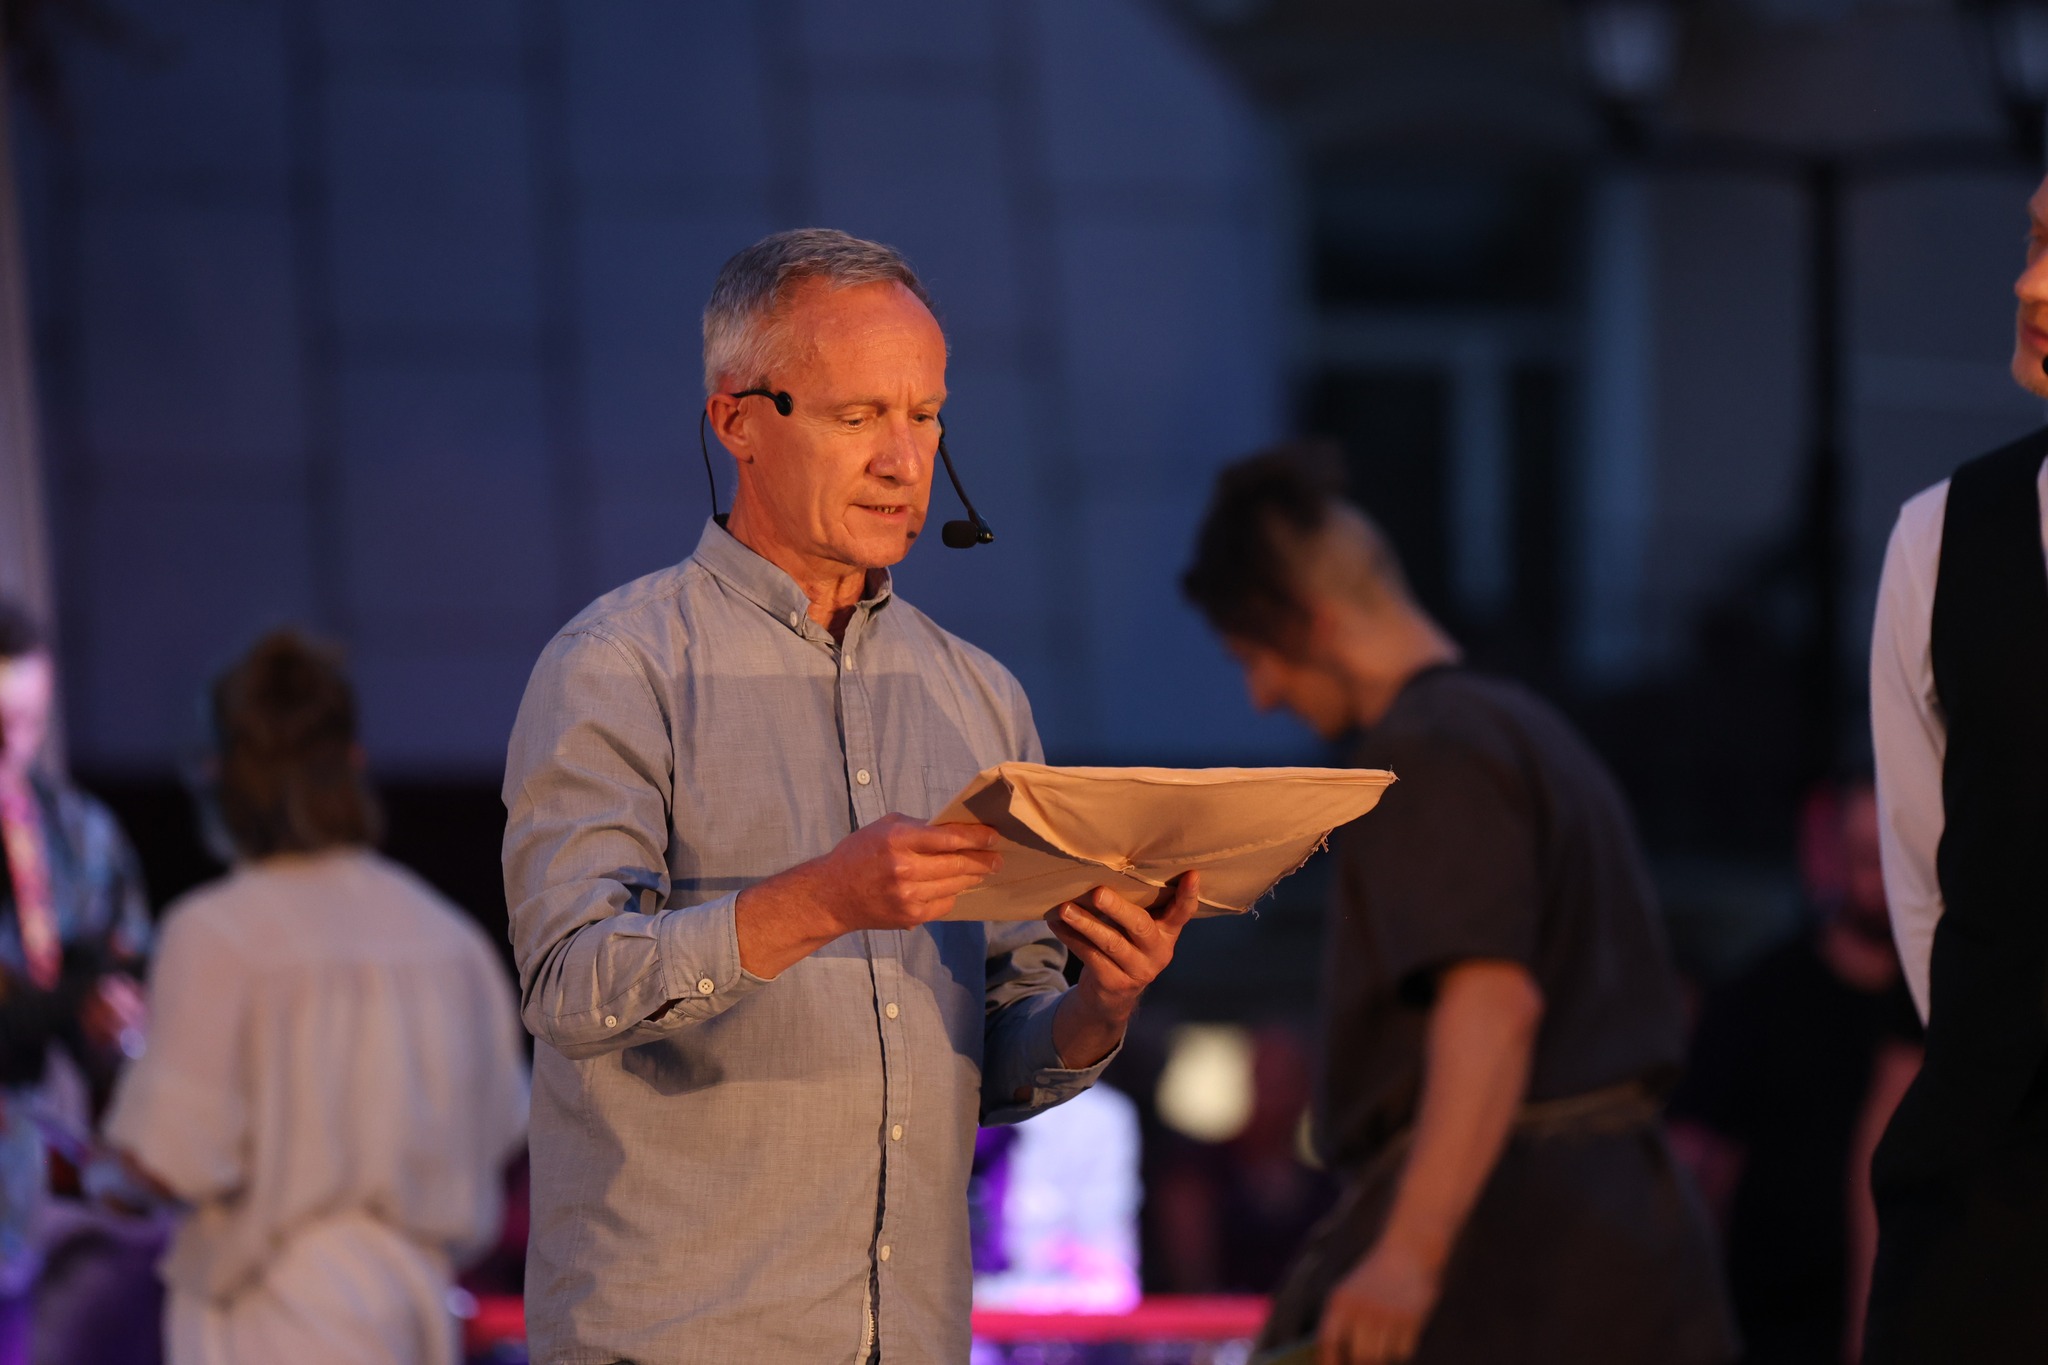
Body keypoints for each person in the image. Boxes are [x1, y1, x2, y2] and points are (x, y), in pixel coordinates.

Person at [502, 228, 1195, 1364]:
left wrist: (1099, 1005)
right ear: (737, 422)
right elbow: (569, 986)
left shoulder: (981, 698)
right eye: (858, 415)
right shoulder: (617, 667)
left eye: (925, 415)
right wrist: (821, 901)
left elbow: (1001, 1060)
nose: (904, 461)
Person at [1180, 446, 1735, 1365]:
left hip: (1522, 1266)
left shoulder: (1431, 748)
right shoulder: (1530, 729)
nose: (1262, 694)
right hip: (1611, 1249)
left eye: (1255, 657)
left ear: (1314, 622)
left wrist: (1409, 1253)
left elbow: (1492, 1003)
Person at [104, 631, 528, 1365]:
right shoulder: (447, 935)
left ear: (220, 773)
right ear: (352, 763)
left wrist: (107, 1163)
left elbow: (170, 1157)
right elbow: (503, 1126)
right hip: (414, 1305)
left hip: (277, 1314)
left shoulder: (219, 932)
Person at [1863, 171, 2048, 1363]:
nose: (2030, 284)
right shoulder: (1938, 535)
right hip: (1986, 1203)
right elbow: (1923, 879)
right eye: (2033, 239)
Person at [1667, 778, 1922, 1364]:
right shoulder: (1758, 997)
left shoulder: (1936, 1005)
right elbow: (1701, 1162)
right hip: (1768, 1322)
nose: (1880, 880)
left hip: (1899, 1314)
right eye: (1865, 857)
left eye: (1892, 857)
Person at [0, 599, 150, 1362]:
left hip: (25, 1199)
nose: (9, 745)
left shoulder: (74, 833)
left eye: (24, 722)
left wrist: (111, 1014)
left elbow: (119, 959)